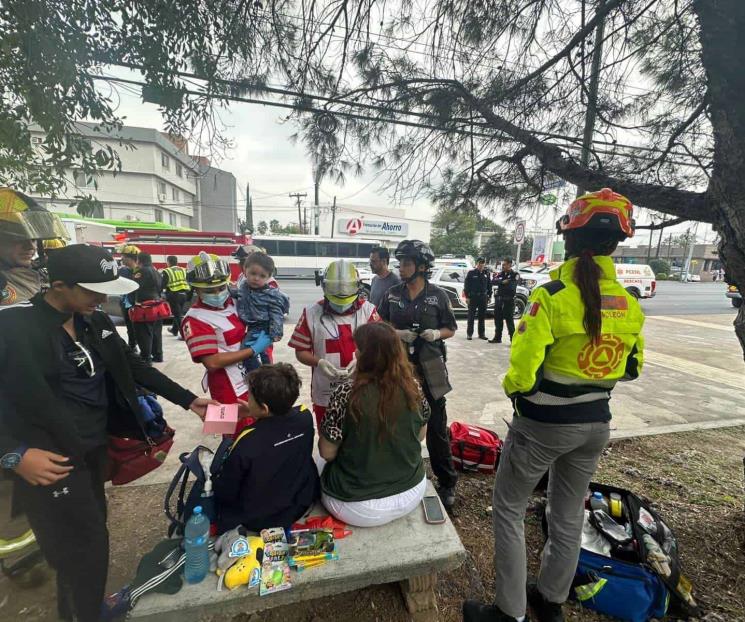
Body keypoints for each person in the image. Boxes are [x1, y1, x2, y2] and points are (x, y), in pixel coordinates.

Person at [0, 244, 214, 622]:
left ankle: (84, 608)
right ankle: (87, 613)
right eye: (93, 291)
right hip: (49, 457)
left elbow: (132, 365)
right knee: (85, 547)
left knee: (88, 535)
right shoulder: (13, 326)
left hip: (95, 449)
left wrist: (189, 400)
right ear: (60, 285)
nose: (101, 299)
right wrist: (14, 454)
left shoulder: (93, 321)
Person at [463, 188, 645, 622]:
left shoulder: (551, 295)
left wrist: (517, 392)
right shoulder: (630, 302)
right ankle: (550, 600)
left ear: (570, 238)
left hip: (542, 426)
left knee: (508, 510)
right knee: (566, 514)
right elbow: (633, 367)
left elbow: (523, 372)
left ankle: (509, 612)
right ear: (616, 244)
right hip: (595, 426)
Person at [318, 322, 430, 527]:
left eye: (358, 349)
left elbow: (327, 452)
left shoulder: (346, 393)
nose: (355, 353)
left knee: (317, 460)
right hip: (412, 490)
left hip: (358, 507)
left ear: (363, 355)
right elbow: (421, 435)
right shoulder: (412, 386)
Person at [378, 240, 459, 509]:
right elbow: (378, 324)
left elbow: (450, 328)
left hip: (432, 368)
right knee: (396, 422)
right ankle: (397, 475)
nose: (401, 268)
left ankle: (447, 482)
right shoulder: (391, 294)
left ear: (422, 267)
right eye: (400, 263)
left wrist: (436, 334)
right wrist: (396, 333)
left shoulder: (438, 296)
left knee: (436, 427)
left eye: (407, 263)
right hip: (398, 368)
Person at [213, 364, 319, 534]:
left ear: (264, 407)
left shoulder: (246, 439)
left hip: (259, 519)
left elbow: (227, 490)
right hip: (299, 503)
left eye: (250, 397)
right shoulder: (305, 417)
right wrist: (256, 413)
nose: (247, 400)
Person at [289, 259, 380, 428]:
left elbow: (380, 348)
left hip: (362, 387)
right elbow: (300, 351)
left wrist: (361, 360)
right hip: (325, 391)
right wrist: (319, 362)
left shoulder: (368, 311)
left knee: (360, 434)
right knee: (328, 436)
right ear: (324, 288)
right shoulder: (311, 313)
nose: (341, 304)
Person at [182, 251, 272, 406]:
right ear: (195, 289)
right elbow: (212, 362)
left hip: (254, 375)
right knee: (238, 427)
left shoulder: (235, 301)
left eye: (221, 287)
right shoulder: (195, 319)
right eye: (209, 291)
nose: (217, 293)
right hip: (228, 385)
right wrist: (252, 350)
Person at [0, 188, 68, 307]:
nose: (31, 246)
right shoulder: (3, 283)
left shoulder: (42, 275)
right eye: (19, 239)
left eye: (33, 239)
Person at [236, 252, 290, 373]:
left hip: (263, 327)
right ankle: (266, 372)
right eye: (253, 274)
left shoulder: (271, 295)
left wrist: (275, 334)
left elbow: (277, 315)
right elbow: (239, 296)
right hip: (251, 326)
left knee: (246, 352)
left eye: (262, 276)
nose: (256, 278)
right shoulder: (244, 287)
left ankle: (257, 375)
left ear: (269, 277)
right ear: (245, 270)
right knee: (262, 353)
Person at [131, 252, 164, 364]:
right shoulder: (156, 272)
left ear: (139, 260)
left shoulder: (141, 271)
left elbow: (134, 286)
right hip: (157, 305)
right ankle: (158, 355)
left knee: (143, 333)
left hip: (144, 307)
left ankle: (146, 357)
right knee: (156, 332)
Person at [490, 257, 520, 344]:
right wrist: (502, 282)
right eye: (502, 264)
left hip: (509, 301)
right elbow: (493, 281)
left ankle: (513, 340)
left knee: (509, 320)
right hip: (499, 300)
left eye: (505, 264)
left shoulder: (515, 274)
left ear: (510, 265)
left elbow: (511, 286)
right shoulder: (501, 274)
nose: (503, 266)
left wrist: (502, 281)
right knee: (498, 319)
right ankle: (497, 337)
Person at [161, 255, 190, 339]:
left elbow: (163, 284)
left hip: (174, 295)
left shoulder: (167, 271)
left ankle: (184, 335)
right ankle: (174, 330)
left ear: (168, 262)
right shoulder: (183, 270)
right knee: (178, 313)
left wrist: (161, 293)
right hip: (184, 294)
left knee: (177, 315)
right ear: (177, 262)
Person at [117, 244, 141, 350]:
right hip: (126, 302)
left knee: (138, 327)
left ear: (130, 258)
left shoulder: (141, 271)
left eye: (123, 256)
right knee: (129, 326)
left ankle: (142, 347)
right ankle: (132, 345)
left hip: (137, 303)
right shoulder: (123, 270)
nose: (121, 259)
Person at [464, 257, 491, 340]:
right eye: (480, 263)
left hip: (483, 297)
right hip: (473, 297)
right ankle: (469, 334)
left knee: (482, 317)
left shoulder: (486, 273)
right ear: (477, 263)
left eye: (483, 263)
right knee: (471, 316)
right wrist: (467, 296)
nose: (481, 264)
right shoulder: (471, 273)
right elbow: (466, 285)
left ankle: (481, 334)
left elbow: (489, 285)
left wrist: (489, 295)